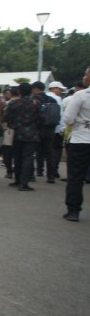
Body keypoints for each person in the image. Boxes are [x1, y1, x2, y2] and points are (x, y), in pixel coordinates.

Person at [4, 82, 43, 191]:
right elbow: (42, 118)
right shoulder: (36, 103)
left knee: (17, 157)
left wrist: (13, 125)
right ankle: (24, 183)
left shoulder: (13, 103)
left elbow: (6, 117)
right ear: (31, 91)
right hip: (32, 134)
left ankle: (17, 180)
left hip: (16, 133)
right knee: (28, 158)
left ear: (19, 92)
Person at [63, 66, 90, 221]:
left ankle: (73, 210)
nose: (84, 78)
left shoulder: (81, 95)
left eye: (86, 75)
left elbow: (68, 118)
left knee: (76, 177)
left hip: (81, 139)